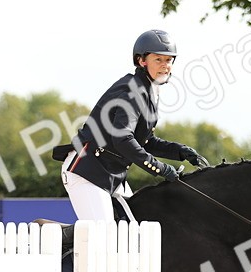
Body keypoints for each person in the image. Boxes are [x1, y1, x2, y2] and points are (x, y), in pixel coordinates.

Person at [57, 29, 209, 221]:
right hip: (87, 172)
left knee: (133, 234)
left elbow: (144, 141)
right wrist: (159, 168)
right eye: (158, 60)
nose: (165, 66)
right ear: (141, 61)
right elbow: (122, 138)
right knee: (105, 236)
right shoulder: (133, 89)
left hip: (113, 175)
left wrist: (179, 152)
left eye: (168, 60)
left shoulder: (148, 89)